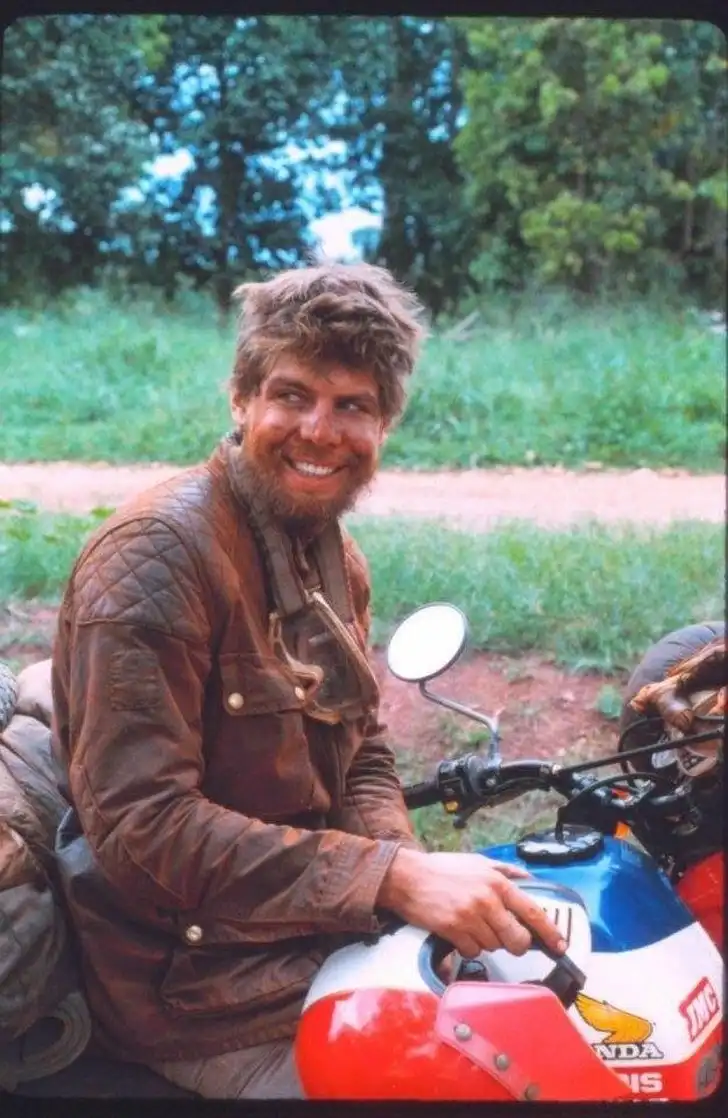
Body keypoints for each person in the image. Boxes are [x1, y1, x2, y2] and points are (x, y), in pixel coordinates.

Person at [50, 262, 566, 1099]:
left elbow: (362, 748)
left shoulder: (329, 552)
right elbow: (143, 830)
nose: (320, 432)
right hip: (197, 991)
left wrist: (404, 874)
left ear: (384, 424)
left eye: (352, 406)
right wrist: (392, 879)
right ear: (241, 399)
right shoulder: (155, 558)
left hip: (304, 937)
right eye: (292, 396)